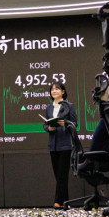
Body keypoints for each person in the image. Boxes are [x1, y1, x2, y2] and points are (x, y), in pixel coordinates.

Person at [45, 81, 77, 209]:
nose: (54, 91)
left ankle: (57, 201)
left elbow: (75, 124)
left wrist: (66, 123)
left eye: (57, 89)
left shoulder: (69, 106)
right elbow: (45, 124)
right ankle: (66, 202)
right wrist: (49, 128)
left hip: (65, 144)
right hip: (53, 145)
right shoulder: (48, 108)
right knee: (58, 175)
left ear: (63, 92)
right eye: (52, 89)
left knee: (62, 174)